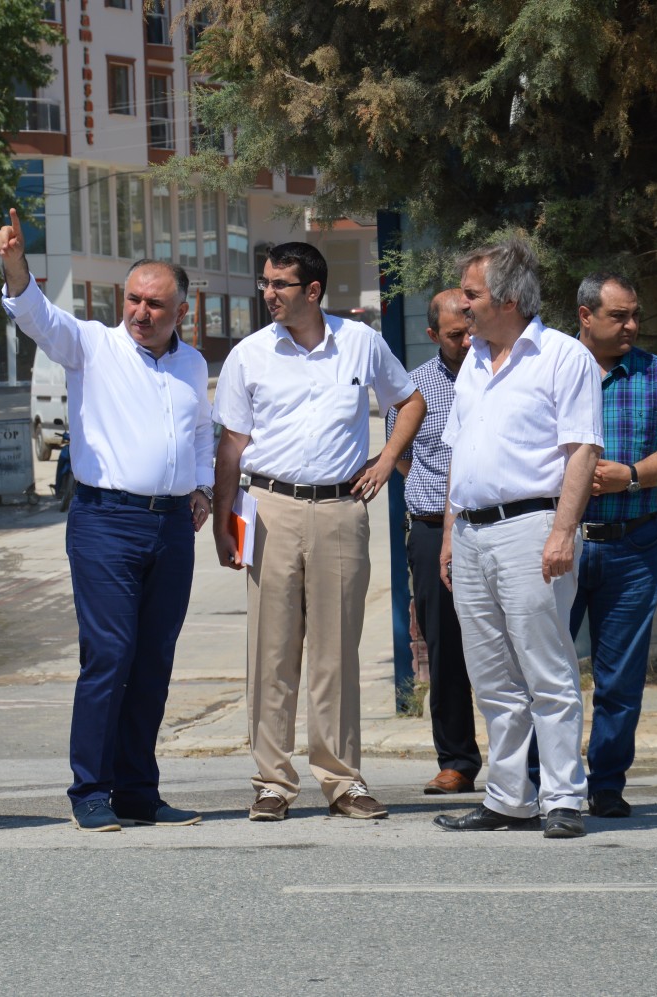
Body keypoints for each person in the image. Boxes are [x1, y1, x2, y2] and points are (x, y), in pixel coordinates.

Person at [0, 209, 213, 832]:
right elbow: (37, 316)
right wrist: (16, 266)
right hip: (106, 522)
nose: (141, 313)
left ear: (180, 313)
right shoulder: (91, 344)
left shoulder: (191, 365)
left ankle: (140, 791)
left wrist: (199, 488)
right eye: (134, 300)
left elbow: (201, 430)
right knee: (110, 655)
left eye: (155, 305)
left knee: (154, 659)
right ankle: (91, 790)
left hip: (170, 528)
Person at [212, 242, 426, 822]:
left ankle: (343, 782)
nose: (268, 294)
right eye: (265, 283)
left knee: (336, 654)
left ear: (313, 291)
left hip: (339, 510)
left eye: (280, 284)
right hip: (269, 506)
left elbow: (410, 401)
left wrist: (385, 461)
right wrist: (224, 523)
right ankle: (271, 785)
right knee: (271, 652)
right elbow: (231, 446)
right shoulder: (249, 355)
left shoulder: (360, 342)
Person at [431, 237, 603, 840]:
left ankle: (563, 798)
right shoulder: (474, 361)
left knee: (546, 670)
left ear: (506, 298)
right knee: (493, 676)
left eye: (471, 294)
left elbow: (582, 450)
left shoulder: (561, 357)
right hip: (474, 532)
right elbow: (459, 456)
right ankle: (508, 797)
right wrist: (451, 535)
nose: (462, 305)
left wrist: (562, 532)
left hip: (534, 529)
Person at [569, 272, 657, 818]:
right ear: (585, 316)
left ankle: (606, 785)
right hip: (560, 545)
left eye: (635, 315)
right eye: (620, 316)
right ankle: (540, 782)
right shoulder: (551, 370)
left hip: (633, 547)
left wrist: (634, 476)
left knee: (619, 678)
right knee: (543, 674)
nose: (632, 326)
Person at [387, 288, 482, 795]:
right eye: (454, 335)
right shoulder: (414, 390)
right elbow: (400, 457)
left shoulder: (501, 375)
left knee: (505, 646)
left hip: (491, 525)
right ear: (432, 336)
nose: (466, 341)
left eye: (471, 330)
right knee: (444, 647)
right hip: (428, 531)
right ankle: (457, 761)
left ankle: (527, 762)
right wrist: (433, 501)